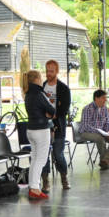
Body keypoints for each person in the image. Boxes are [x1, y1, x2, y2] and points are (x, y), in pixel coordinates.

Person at [40, 59, 71, 193]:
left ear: (57, 72)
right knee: (44, 155)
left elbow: (64, 109)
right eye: (47, 71)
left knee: (58, 154)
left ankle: (64, 178)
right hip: (44, 127)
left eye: (51, 71)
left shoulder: (64, 89)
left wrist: (53, 114)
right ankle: (45, 181)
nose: (48, 73)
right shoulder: (43, 86)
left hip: (58, 126)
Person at [25, 69, 55, 200]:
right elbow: (52, 110)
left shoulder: (28, 94)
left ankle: (33, 187)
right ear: (37, 79)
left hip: (31, 130)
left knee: (35, 159)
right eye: (40, 76)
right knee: (41, 160)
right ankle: (35, 188)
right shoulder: (39, 93)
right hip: (41, 130)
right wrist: (47, 113)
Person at [78, 89, 109, 170]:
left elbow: (108, 122)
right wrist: (100, 132)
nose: (105, 100)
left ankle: (105, 161)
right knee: (99, 138)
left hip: (102, 132)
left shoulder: (104, 108)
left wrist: (108, 131)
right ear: (96, 98)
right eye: (103, 98)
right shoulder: (87, 108)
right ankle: (105, 162)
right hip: (86, 132)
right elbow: (86, 126)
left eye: (105, 98)